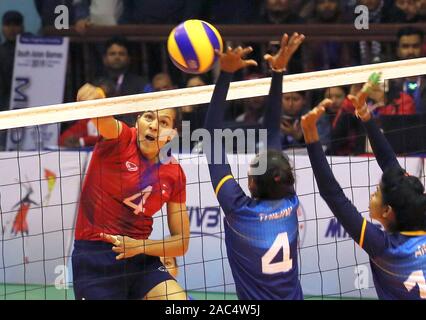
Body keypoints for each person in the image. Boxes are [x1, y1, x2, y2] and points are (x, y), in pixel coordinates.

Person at [301, 74, 426, 299]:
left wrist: (311, 137)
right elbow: (390, 165)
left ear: (388, 211)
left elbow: (333, 195)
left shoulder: (382, 246)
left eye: (377, 193)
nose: (372, 194)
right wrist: (366, 116)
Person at [203, 33, 305, 300]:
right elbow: (271, 131)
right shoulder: (289, 204)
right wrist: (279, 71)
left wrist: (225, 74)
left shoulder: (239, 210)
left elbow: (210, 136)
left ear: (250, 183)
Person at [71, 84, 189, 300]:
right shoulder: (120, 138)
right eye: (148, 117)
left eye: (163, 122)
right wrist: (97, 99)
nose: (153, 126)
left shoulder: (174, 173)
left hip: (140, 257)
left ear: (172, 134)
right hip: (96, 257)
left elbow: (181, 242)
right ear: (137, 121)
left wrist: (140, 246)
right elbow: (104, 120)